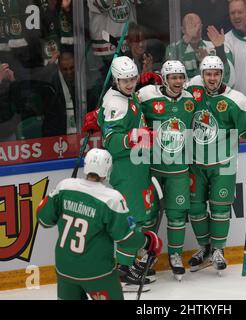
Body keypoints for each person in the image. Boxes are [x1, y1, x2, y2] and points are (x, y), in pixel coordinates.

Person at [36, 148, 162, 300]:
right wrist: (148, 241)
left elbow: (43, 219)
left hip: (65, 270)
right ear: (108, 170)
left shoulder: (64, 186)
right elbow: (126, 240)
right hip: (97, 273)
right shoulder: (111, 198)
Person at [81, 56, 158, 292]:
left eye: (133, 79)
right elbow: (112, 142)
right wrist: (134, 137)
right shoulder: (117, 103)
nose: (130, 83)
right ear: (115, 79)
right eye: (125, 80)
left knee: (143, 216)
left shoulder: (125, 95)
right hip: (126, 170)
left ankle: (133, 263)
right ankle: (123, 271)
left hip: (137, 167)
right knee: (134, 220)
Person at [185, 55, 246, 274]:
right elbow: (170, 92)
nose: (212, 78)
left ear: (222, 75)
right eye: (208, 74)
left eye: (216, 74)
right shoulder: (192, 89)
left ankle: (218, 250)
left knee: (220, 209)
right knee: (195, 209)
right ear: (202, 75)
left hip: (224, 163)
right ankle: (205, 248)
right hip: (195, 162)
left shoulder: (236, 99)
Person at [135, 60, 195, 281]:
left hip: (179, 168)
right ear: (164, 78)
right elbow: (128, 106)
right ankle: (144, 257)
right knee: (148, 216)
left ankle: (176, 256)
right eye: (174, 77)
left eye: (181, 77)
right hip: (153, 168)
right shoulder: (147, 96)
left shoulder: (190, 99)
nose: (178, 81)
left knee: (177, 214)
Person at [165, 13, 228, 80]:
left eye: (198, 26)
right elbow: (171, 74)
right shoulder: (173, 49)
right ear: (183, 29)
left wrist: (219, 49)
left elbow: (225, 78)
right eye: (192, 26)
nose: (197, 29)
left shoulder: (211, 47)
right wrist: (187, 39)